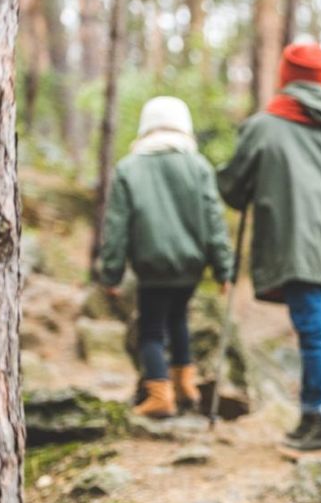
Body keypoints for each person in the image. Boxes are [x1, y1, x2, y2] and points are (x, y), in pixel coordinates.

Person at [218, 43, 321, 453]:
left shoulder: (265, 127)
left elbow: (233, 187)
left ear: (287, 77)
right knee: (315, 328)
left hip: (293, 242)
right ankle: (311, 415)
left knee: (312, 330)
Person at [97, 96, 234, 419]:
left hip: (152, 268)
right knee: (178, 320)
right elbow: (214, 222)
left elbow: (116, 227)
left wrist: (111, 274)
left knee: (151, 331)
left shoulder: (129, 168)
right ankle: (185, 386)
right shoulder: (199, 166)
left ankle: (160, 395)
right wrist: (223, 269)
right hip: (190, 268)